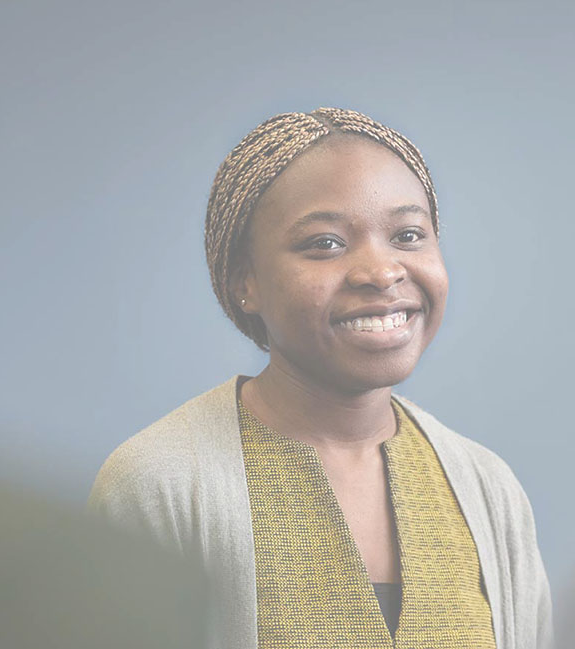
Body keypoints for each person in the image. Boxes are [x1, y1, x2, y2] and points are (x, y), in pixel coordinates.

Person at [88, 107, 553, 649]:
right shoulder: (157, 487)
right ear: (246, 282)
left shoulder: (488, 488)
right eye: (325, 243)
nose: (382, 272)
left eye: (407, 235)